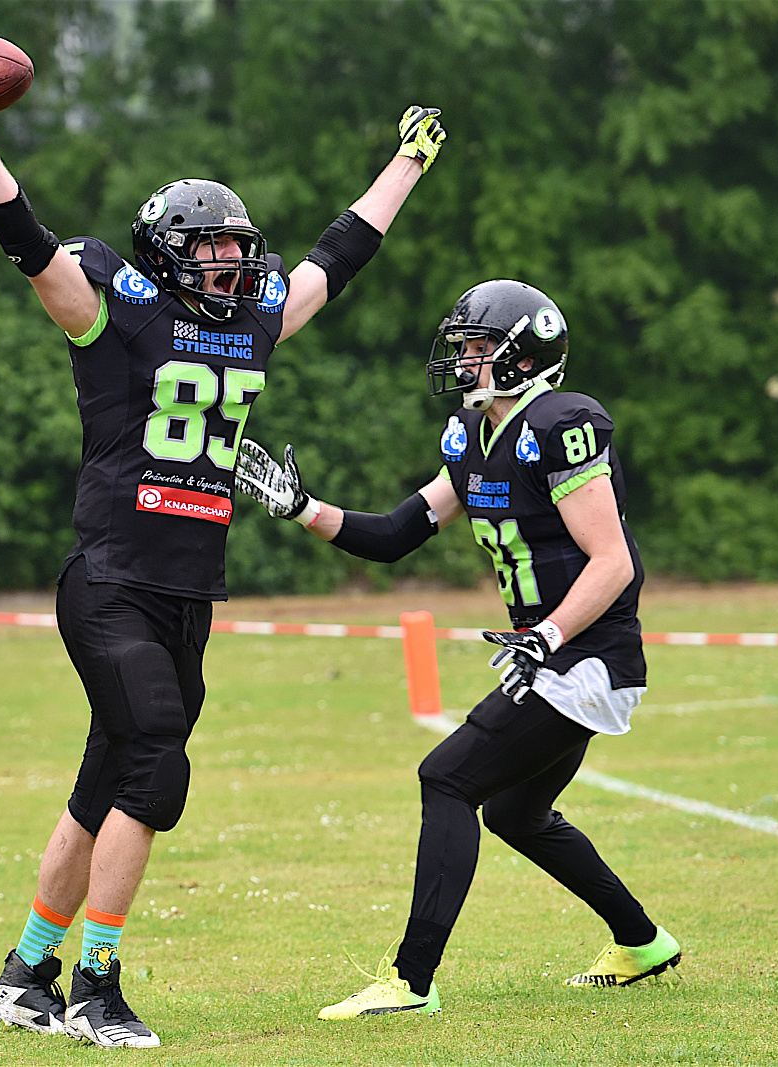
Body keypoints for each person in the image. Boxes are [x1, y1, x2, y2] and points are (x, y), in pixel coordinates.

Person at [0, 66, 445, 1047]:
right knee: (157, 762)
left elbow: (340, 253)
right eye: (209, 249)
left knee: (106, 783)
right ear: (164, 257)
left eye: (237, 248)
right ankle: (95, 984)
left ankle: (26, 972)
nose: (229, 265)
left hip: (188, 589)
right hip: (109, 580)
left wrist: (406, 162)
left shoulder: (253, 323)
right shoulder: (112, 315)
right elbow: (27, 242)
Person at [235, 279, 681, 1019]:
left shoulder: (562, 424)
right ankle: (642, 941)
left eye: (479, 347)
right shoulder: (473, 438)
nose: (464, 360)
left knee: (445, 778)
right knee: (515, 811)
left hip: (584, 655)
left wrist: (546, 635)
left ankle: (411, 980)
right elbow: (396, 534)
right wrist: (304, 508)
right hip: (549, 654)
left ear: (523, 357)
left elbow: (613, 563)